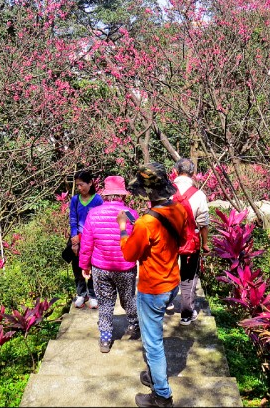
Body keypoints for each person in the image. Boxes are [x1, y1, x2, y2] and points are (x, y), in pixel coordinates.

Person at [117, 162, 187, 408]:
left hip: (152, 288)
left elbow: (129, 254)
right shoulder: (179, 210)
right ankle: (154, 377)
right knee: (154, 338)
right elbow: (185, 239)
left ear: (147, 192)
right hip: (172, 283)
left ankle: (162, 396)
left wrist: (124, 229)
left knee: (153, 343)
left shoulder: (147, 222)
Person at [79, 176, 140, 353]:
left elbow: (87, 244)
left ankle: (105, 340)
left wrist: (85, 266)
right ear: (122, 195)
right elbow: (139, 238)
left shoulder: (94, 213)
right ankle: (134, 326)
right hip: (126, 267)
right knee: (129, 298)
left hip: (101, 267)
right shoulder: (130, 213)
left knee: (105, 303)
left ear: (105, 195)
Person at [172, 158, 210, 326]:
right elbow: (203, 224)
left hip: (168, 242)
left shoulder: (167, 191)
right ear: (193, 174)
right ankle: (186, 314)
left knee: (167, 271)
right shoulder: (199, 194)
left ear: (175, 171)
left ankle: (165, 302)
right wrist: (205, 243)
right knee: (188, 277)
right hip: (190, 242)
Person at [69, 170, 103, 309]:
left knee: (93, 266)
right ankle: (81, 294)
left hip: (93, 240)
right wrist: (74, 238)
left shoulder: (97, 200)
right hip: (78, 238)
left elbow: (99, 221)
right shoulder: (75, 200)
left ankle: (93, 294)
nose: (79, 188)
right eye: (77, 185)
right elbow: (73, 219)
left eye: (81, 184)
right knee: (77, 267)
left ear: (90, 183)